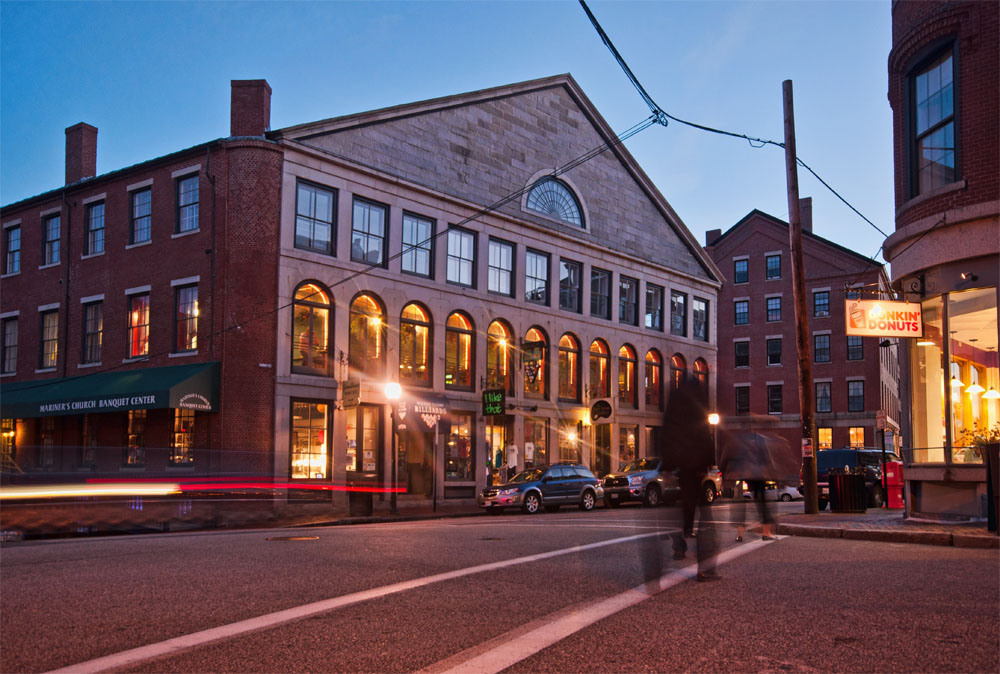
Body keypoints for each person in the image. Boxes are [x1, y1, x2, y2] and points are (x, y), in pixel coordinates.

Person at [658, 373, 720, 582]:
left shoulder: (674, 402)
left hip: (680, 464)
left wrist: (666, 465)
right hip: (695, 465)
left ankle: (679, 546)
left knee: (682, 507)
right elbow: (704, 432)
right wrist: (707, 463)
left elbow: (666, 431)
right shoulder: (698, 403)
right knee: (705, 517)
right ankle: (705, 569)